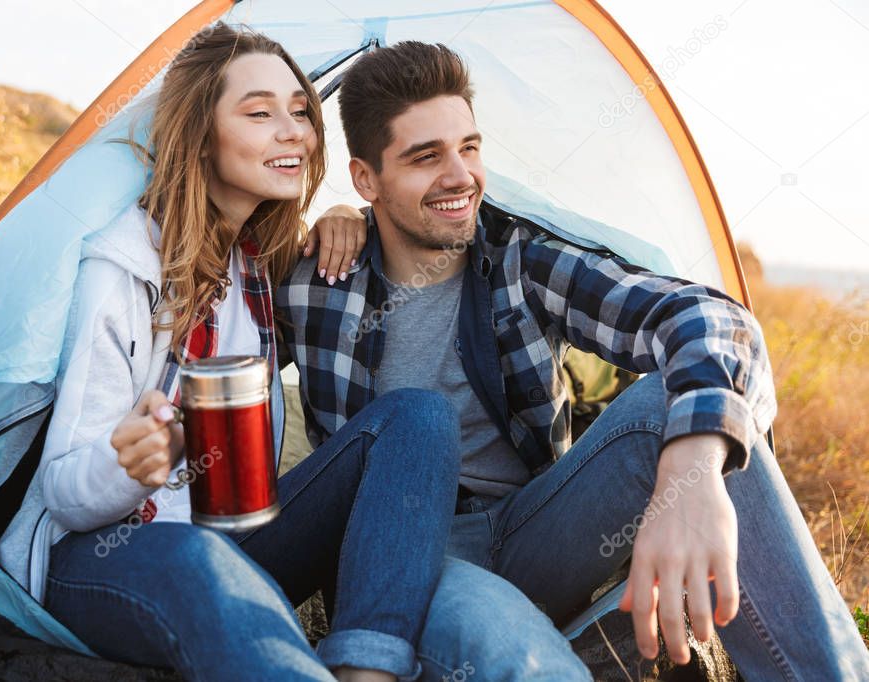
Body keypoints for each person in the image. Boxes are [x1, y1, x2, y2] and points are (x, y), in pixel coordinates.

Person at [0, 24, 590, 682]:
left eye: (300, 112)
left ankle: (368, 666)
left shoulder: (259, 266)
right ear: (200, 133)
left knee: (418, 415)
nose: (294, 133)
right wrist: (129, 463)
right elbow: (64, 493)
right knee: (203, 563)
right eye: (259, 113)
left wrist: (350, 219)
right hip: (107, 555)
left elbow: (374, 223)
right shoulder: (125, 266)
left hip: (235, 535)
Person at [276, 40, 869, 680]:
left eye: (469, 147)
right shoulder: (314, 282)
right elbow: (200, 360)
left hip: (537, 527)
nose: (460, 176)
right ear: (365, 179)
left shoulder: (517, 256)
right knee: (524, 658)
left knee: (690, 404)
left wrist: (694, 467)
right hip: (405, 556)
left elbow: (711, 319)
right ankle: (573, 649)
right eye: (426, 157)